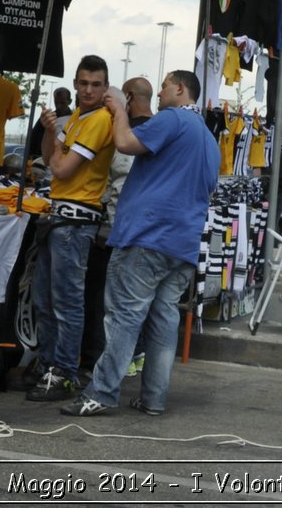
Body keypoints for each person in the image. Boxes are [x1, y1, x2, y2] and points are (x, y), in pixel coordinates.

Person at [61, 69, 219, 417]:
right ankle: (153, 399)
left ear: (180, 89)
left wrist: (119, 110)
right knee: (163, 321)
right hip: (182, 244)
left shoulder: (173, 119)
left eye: (164, 86)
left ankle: (101, 393)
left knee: (124, 317)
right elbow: (208, 189)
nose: (160, 93)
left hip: (147, 236)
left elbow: (125, 144)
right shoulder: (209, 140)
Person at [28, 55, 115, 402]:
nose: (88, 90)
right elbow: (50, 155)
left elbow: (60, 169)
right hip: (61, 218)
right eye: (83, 83)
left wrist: (55, 143)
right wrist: (52, 132)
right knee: (45, 299)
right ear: (76, 84)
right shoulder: (80, 116)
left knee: (65, 301)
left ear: (105, 87)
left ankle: (63, 371)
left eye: (95, 84)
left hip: (76, 220)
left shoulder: (98, 121)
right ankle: (51, 366)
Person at [79, 76, 151, 377]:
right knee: (135, 300)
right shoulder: (163, 130)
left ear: (128, 99)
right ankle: (134, 356)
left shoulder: (127, 135)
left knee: (104, 299)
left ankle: (101, 362)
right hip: (145, 231)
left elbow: (117, 185)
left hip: (118, 229)